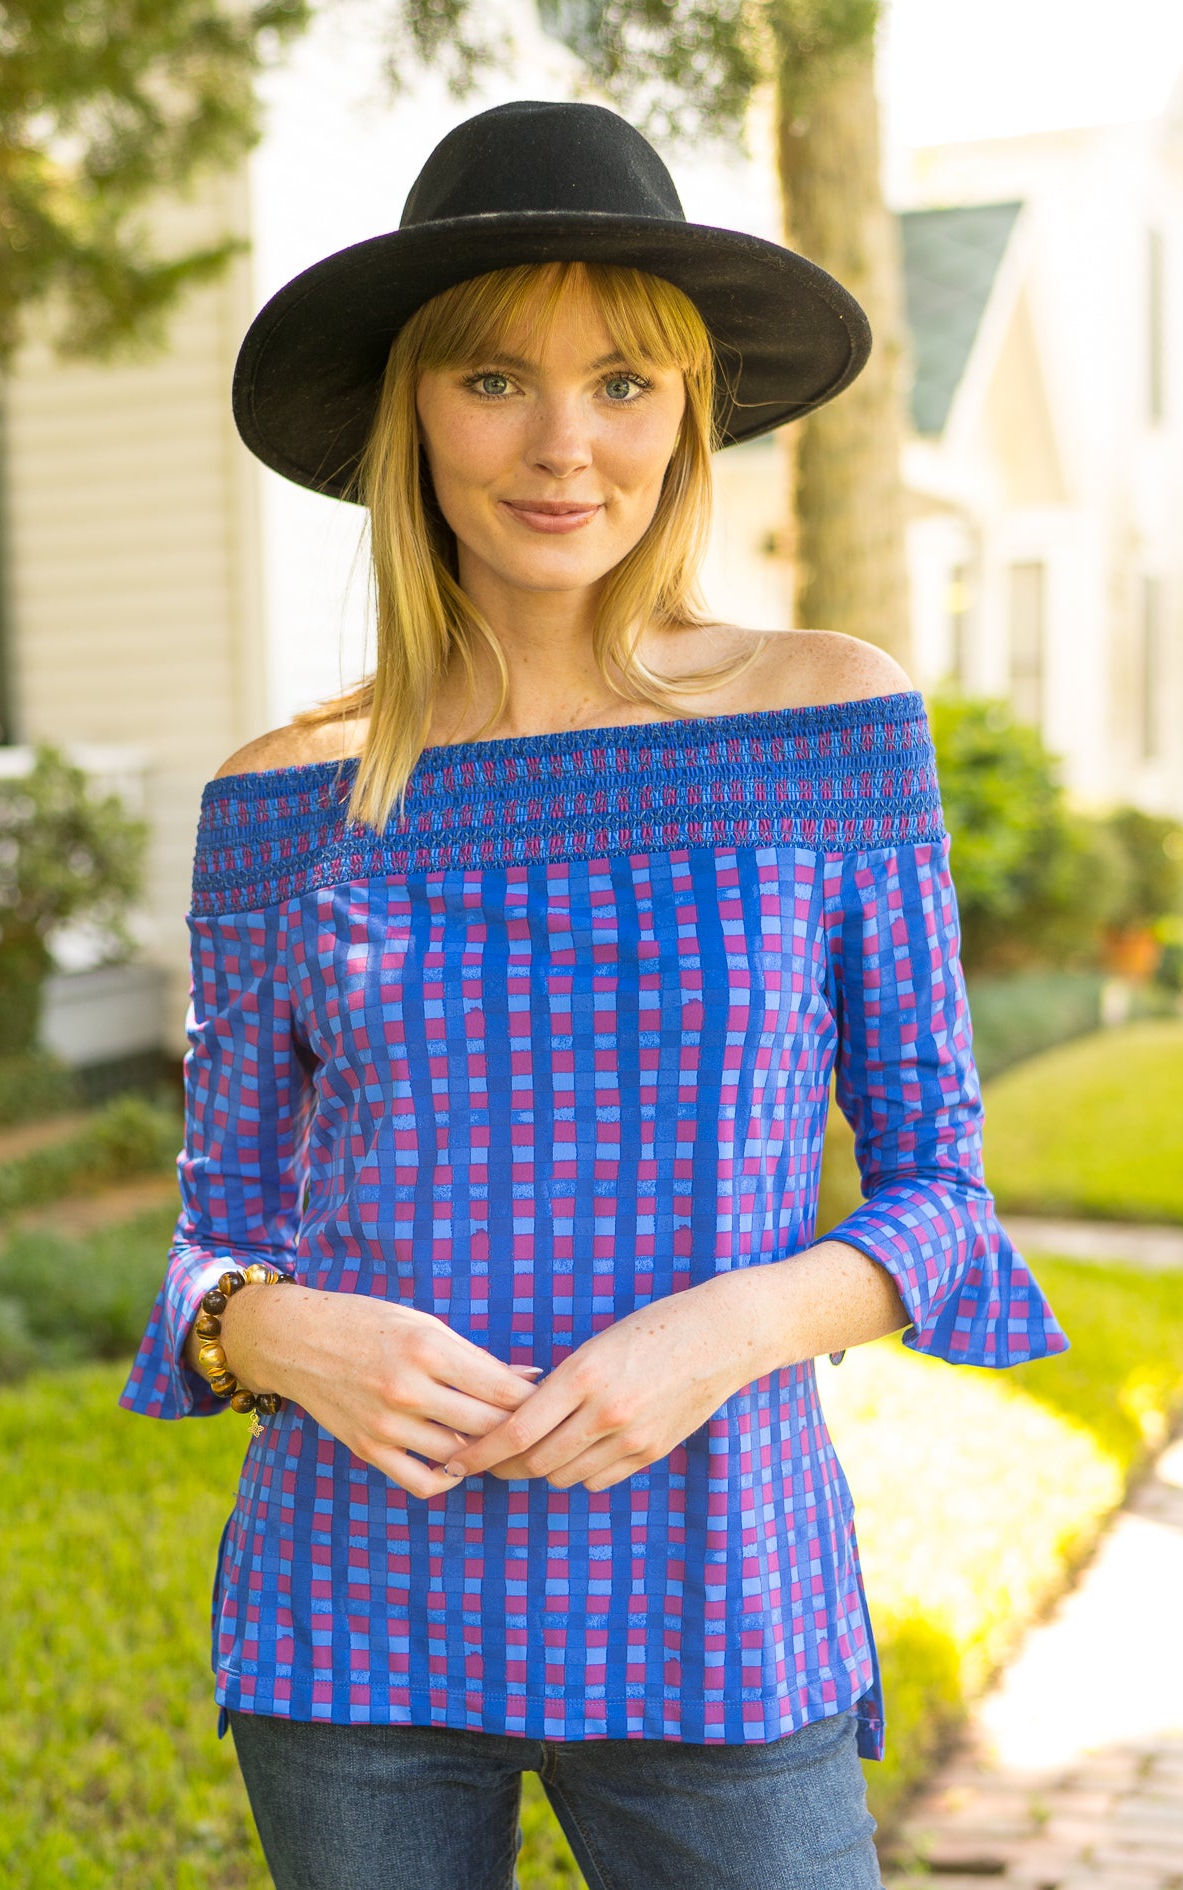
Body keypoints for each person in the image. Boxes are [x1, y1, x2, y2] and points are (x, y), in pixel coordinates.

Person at [123, 99, 1067, 1890]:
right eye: (494, 380)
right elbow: (207, 1242)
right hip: (352, 1618)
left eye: (625, 384)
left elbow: (943, 1195)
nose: (564, 444)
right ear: (410, 406)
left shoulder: (823, 720)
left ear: (689, 416)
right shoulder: (279, 794)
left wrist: (722, 1331)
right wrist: (281, 1332)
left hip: (721, 1593)